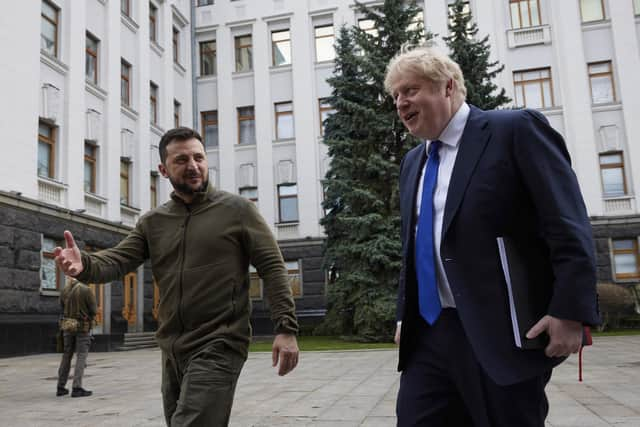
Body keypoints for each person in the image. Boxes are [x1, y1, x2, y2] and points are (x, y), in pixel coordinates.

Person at [385, 46, 599, 426]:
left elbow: (566, 222)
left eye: (411, 90)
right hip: (430, 336)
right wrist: (406, 315)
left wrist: (571, 311)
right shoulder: (413, 163)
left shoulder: (513, 130)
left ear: (447, 87)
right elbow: (415, 247)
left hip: (498, 333)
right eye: (396, 95)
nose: (401, 103)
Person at [54, 127, 300, 426]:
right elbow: (119, 259)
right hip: (172, 349)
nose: (193, 166)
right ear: (163, 169)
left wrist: (285, 327)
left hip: (220, 342)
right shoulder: (154, 222)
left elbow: (273, 267)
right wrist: (85, 265)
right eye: (181, 160)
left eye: (199, 157)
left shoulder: (237, 211)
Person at [56, 277, 96, 398]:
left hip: (67, 326)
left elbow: (61, 307)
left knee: (67, 354)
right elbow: (93, 310)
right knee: (81, 356)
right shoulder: (86, 290)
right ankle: (77, 387)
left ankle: (60, 387)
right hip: (82, 327)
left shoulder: (64, 290)